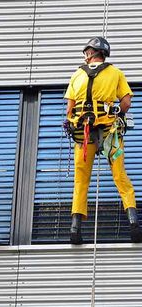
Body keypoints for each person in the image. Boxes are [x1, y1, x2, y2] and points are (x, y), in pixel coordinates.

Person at [64, 37, 142, 244]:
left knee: (81, 181)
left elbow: (69, 110)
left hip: (83, 134)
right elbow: (126, 102)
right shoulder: (116, 73)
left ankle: (75, 228)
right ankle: (134, 222)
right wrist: (119, 114)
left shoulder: (77, 74)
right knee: (120, 176)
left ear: (90, 53)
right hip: (110, 133)